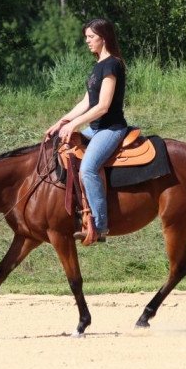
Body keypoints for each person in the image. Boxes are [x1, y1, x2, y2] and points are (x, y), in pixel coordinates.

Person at [46, 18, 128, 242]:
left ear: (104, 37)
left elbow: (103, 106)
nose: (87, 41)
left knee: (88, 169)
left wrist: (75, 124)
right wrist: (62, 122)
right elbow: (86, 102)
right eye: (86, 38)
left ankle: (100, 226)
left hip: (110, 129)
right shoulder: (98, 66)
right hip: (95, 129)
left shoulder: (112, 64)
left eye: (91, 37)